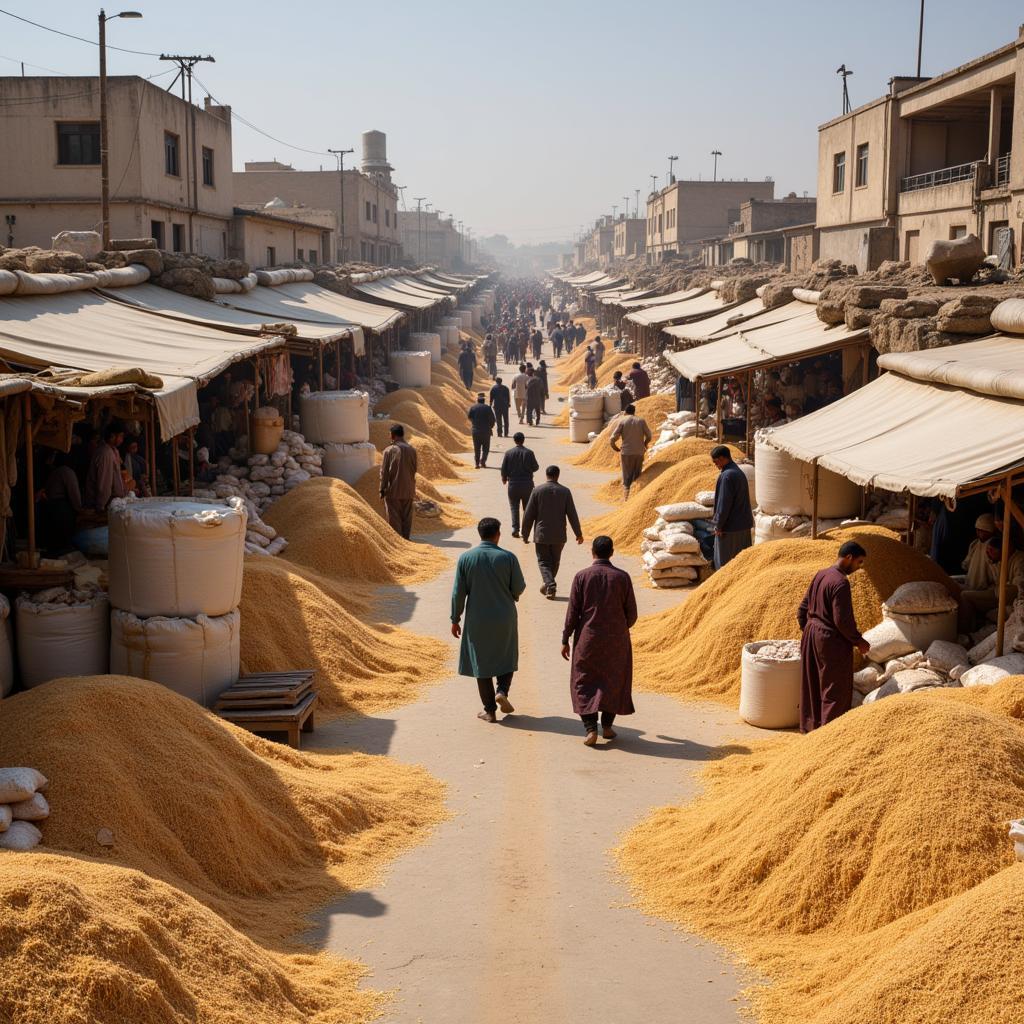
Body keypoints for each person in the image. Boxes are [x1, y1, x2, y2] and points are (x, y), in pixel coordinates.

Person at [561, 535, 638, 746]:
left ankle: (589, 728)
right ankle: (607, 726)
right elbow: (631, 613)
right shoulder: (622, 577)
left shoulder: (581, 577)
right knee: (613, 679)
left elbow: (573, 612)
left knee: (583, 680)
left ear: (592, 552)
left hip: (588, 638)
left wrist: (565, 637)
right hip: (617, 639)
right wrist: (620, 628)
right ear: (611, 553)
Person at [451, 517, 527, 723]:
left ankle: (490, 710)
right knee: (506, 654)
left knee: (480, 662)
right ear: (498, 535)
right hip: (505, 617)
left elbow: (458, 592)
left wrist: (455, 618)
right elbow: (519, 587)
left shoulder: (466, 558)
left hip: (477, 619)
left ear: (479, 534)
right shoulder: (508, 558)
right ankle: (502, 690)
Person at [797, 541, 870, 733]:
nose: (859, 567)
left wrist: (809, 630)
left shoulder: (821, 574)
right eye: (859, 562)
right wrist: (859, 642)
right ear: (849, 558)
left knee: (812, 684)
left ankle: (811, 729)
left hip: (812, 635)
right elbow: (842, 621)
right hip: (829, 641)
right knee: (834, 688)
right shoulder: (840, 582)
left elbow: (802, 608)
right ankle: (830, 735)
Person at [521, 465, 584, 599]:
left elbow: (528, 515)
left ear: (546, 475)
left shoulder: (537, 490)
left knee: (543, 561)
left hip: (542, 534)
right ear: (558, 475)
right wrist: (578, 534)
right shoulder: (565, 491)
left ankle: (549, 584)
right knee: (555, 561)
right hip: (559, 534)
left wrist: (525, 534)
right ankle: (550, 584)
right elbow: (572, 514)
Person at [958, 533, 1024, 632]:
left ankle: (966, 632)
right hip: (998, 593)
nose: (988, 554)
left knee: (965, 596)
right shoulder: (997, 560)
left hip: (1006, 596)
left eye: (992, 551)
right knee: (966, 594)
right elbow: (992, 579)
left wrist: (1000, 589)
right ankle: (971, 629)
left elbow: (1018, 587)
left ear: (1005, 550)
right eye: (988, 550)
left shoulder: (1019, 560)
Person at [709, 445, 754, 569]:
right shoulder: (738, 472)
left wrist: (718, 525)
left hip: (730, 529)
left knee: (725, 566)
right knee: (741, 564)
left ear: (723, 458)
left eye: (715, 461)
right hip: (743, 526)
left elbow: (724, 504)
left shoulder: (727, 476)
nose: (715, 465)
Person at [379, 424, 418, 539]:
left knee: (394, 518)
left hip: (393, 491)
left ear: (392, 435)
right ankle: (406, 539)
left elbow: (384, 472)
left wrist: (382, 489)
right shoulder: (412, 450)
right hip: (409, 490)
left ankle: (398, 542)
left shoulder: (389, 451)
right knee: (407, 518)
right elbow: (414, 469)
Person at [41, 451, 82, 553]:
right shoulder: (67, 471)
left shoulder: (55, 471)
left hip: (51, 507)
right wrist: (79, 509)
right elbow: (74, 494)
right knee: (62, 539)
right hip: (61, 509)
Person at [501, 432, 540, 538]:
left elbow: (504, 468)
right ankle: (525, 530)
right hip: (527, 484)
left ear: (514, 440)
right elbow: (536, 467)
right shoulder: (529, 453)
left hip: (513, 484)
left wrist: (504, 478)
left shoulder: (508, 453)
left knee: (514, 507)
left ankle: (515, 528)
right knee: (527, 509)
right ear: (523, 440)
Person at [609, 404, 651, 498]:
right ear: (634, 412)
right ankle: (636, 498)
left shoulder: (623, 421)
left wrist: (615, 447)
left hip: (626, 453)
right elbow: (649, 436)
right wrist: (645, 444)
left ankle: (626, 499)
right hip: (639, 452)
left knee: (627, 477)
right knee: (637, 475)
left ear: (625, 412)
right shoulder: (641, 421)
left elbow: (612, 438)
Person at [84, 423, 126, 511]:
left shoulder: (113, 451)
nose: (122, 439)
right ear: (112, 436)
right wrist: (101, 506)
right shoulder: (105, 453)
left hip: (112, 503)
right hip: (104, 505)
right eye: (121, 436)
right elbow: (104, 484)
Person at [962, 513, 997, 589]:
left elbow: (996, 575)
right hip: (970, 584)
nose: (978, 533)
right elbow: (966, 565)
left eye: (981, 530)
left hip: (985, 589)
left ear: (989, 531)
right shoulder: (975, 543)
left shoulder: (993, 547)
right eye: (977, 530)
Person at [467, 393, 496, 468]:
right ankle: (483, 461)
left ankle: (477, 463)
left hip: (476, 431)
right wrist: (490, 426)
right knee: (486, 448)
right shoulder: (488, 408)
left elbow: (469, 417)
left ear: (477, 400)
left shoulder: (473, 407)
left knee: (477, 448)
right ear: (484, 401)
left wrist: (474, 423)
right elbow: (493, 420)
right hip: (486, 431)